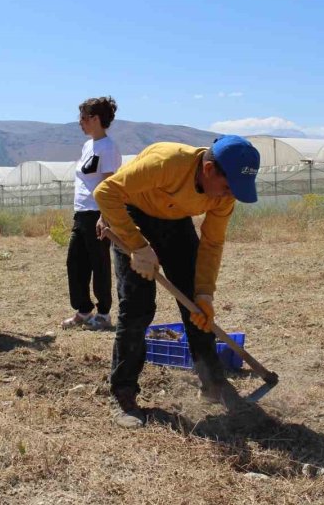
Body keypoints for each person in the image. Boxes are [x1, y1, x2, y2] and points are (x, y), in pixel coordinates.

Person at [93, 135, 260, 428]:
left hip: (176, 221)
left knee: (196, 307)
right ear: (208, 169)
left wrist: (205, 293)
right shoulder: (167, 163)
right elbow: (106, 192)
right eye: (227, 187)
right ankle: (123, 393)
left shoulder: (225, 195)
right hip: (133, 214)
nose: (229, 194)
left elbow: (212, 243)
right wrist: (138, 245)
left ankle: (213, 383)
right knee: (138, 307)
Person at [62, 96, 123, 331]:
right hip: (81, 212)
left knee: (99, 263)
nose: (80, 122)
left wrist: (104, 216)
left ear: (96, 119)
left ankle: (104, 313)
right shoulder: (88, 146)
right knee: (75, 262)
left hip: (97, 213)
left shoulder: (109, 148)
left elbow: (109, 184)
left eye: (84, 118)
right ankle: (84, 310)